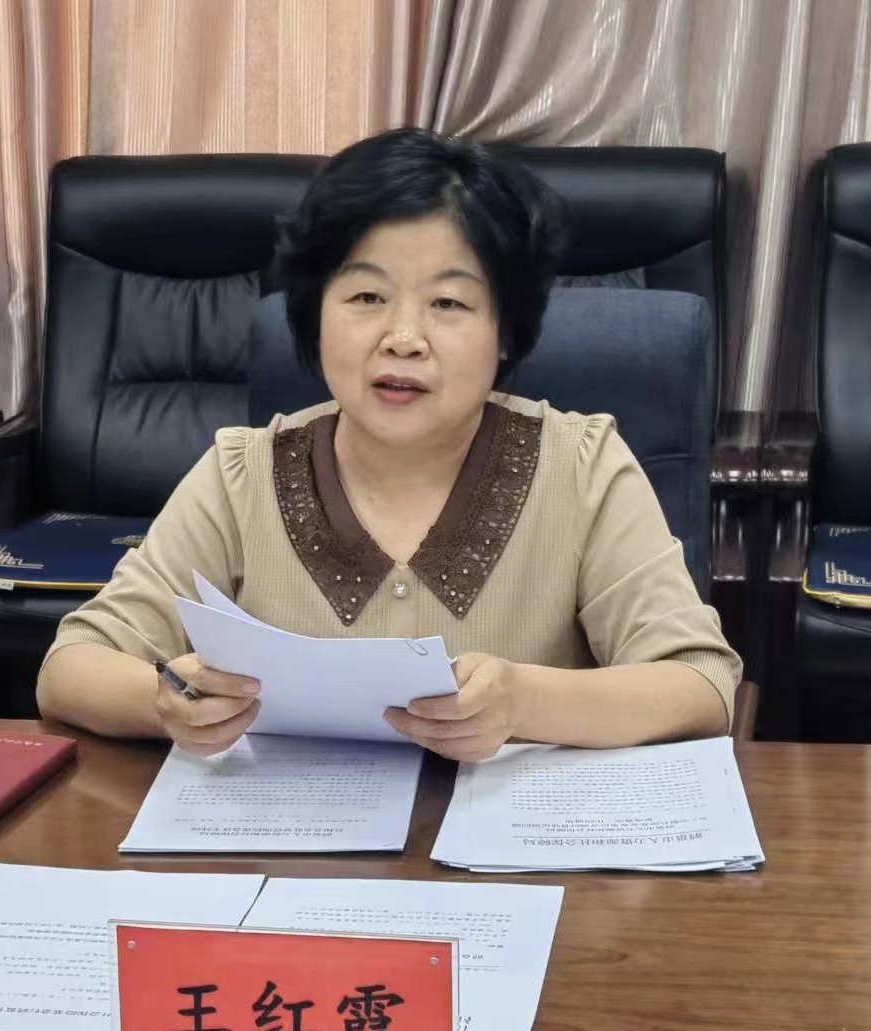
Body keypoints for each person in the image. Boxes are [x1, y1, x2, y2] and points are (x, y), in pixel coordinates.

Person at [36, 127, 742, 761]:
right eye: (366, 297)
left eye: (449, 303)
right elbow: (71, 668)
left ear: (506, 331)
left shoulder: (581, 467)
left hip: (508, 852)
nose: (403, 338)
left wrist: (525, 703)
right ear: (313, 315)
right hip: (291, 851)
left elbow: (699, 684)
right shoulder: (242, 472)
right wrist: (165, 703)